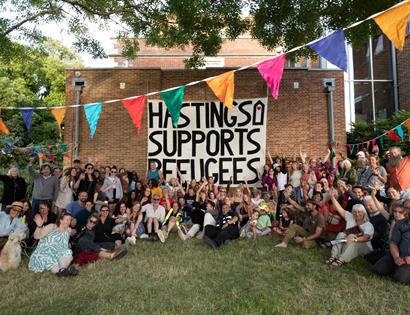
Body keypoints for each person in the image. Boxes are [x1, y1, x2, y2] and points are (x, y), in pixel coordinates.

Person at [326, 193, 374, 267]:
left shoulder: (368, 225)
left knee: (352, 236)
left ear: (364, 213)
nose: (357, 214)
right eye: (354, 212)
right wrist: (332, 197)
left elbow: (366, 238)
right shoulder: (350, 217)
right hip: (348, 241)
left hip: (364, 247)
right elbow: (339, 208)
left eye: (359, 212)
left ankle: (341, 259)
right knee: (341, 234)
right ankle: (333, 255)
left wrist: (354, 239)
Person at [28, 212, 78, 277]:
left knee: (67, 253)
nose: (69, 222)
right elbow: (36, 236)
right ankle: (64, 271)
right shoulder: (52, 227)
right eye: (67, 220)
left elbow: (71, 233)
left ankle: (63, 270)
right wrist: (39, 226)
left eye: (70, 220)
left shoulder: (68, 230)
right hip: (45, 252)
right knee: (53, 263)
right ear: (61, 220)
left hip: (58, 253)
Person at [373, 200, 410, 284]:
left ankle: (401, 271)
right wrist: (396, 257)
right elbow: (393, 242)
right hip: (399, 255)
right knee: (379, 269)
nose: (407, 210)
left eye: (408, 208)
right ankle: (400, 268)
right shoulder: (400, 224)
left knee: (401, 278)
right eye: (405, 208)